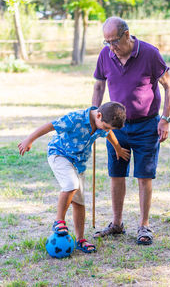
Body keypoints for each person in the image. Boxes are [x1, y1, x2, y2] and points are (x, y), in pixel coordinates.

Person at [92, 17, 170, 245]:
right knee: (116, 174)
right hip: (115, 127)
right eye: (106, 41)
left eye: (114, 41)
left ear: (127, 35)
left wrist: (165, 119)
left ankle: (144, 226)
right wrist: (94, 119)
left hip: (147, 125)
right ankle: (117, 224)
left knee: (144, 176)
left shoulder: (149, 53)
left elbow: (169, 86)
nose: (110, 46)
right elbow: (99, 86)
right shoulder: (105, 55)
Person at [18, 102, 130, 253]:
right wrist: (29, 139)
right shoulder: (75, 118)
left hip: (79, 164)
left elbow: (108, 133)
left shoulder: (102, 124)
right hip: (59, 154)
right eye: (107, 126)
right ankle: (59, 221)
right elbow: (51, 125)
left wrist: (118, 148)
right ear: (99, 115)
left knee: (78, 201)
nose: (107, 130)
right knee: (71, 184)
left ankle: (80, 239)